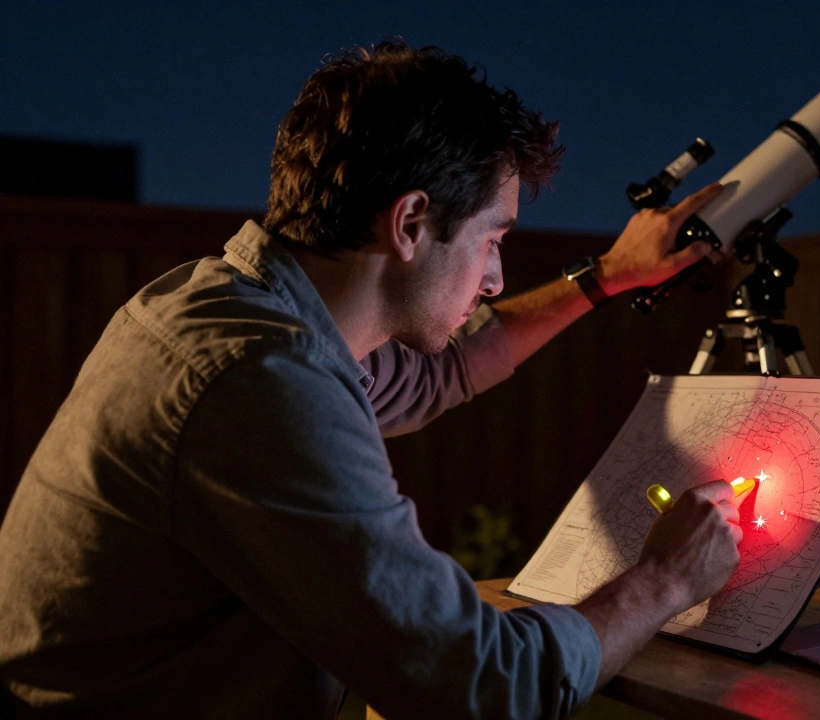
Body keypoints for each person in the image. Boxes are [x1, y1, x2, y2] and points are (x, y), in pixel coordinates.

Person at [0, 42, 744, 718]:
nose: (495, 278)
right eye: (492, 239)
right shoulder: (259, 381)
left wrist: (608, 276)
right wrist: (665, 581)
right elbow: (484, 688)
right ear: (411, 222)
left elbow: (446, 369)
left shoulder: (235, 309)